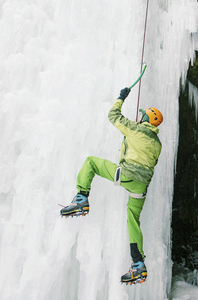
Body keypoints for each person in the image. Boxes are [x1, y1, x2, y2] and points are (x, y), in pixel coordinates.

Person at [60, 87, 163, 285]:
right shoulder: (157, 143)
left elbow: (113, 115)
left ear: (147, 120)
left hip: (127, 175)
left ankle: (81, 198)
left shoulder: (136, 129)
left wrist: (120, 98)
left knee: (91, 162)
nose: (140, 117)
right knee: (133, 218)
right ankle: (138, 264)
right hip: (141, 187)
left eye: (143, 116)